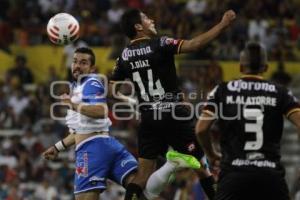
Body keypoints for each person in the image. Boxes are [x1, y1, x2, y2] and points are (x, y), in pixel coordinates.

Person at [109, 8, 236, 200]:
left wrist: (132, 101)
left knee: (142, 175)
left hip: (148, 118)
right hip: (174, 114)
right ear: (138, 27)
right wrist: (223, 24)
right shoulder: (160, 43)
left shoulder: (124, 56)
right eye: (146, 18)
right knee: (201, 165)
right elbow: (194, 45)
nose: (151, 20)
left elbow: (111, 89)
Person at [42, 47, 201, 200]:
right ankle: (171, 165)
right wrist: (58, 147)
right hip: (107, 145)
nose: (77, 65)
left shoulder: (90, 82)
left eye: (83, 62)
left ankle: (172, 164)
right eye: (75, 61)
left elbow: (101, 111)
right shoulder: (75, 87)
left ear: (92, 68)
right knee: (140, 192)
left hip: (91, 150)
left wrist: (72, 105)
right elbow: (80, 131)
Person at [195, 42, 300, 200]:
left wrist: (211, 154)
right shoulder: (281, 92)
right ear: (265, 67)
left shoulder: (223, 90)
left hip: (233, 174)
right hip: (270, 175)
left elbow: (201, 129)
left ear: (240, 67)